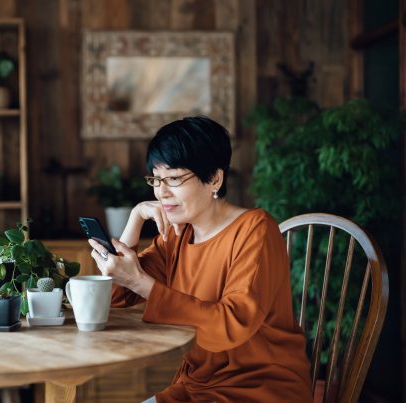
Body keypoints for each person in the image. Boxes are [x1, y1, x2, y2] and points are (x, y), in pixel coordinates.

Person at [88, 116, 312, 403]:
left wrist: (141, 282)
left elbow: (231, 325)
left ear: (214, 179)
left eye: (174, 179)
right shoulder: (178, 234)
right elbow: (117, 294)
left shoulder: (256, 230)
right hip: (198, 387)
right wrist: (135, 218)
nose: (161, 192)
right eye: (156, 180)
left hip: (261, 389)